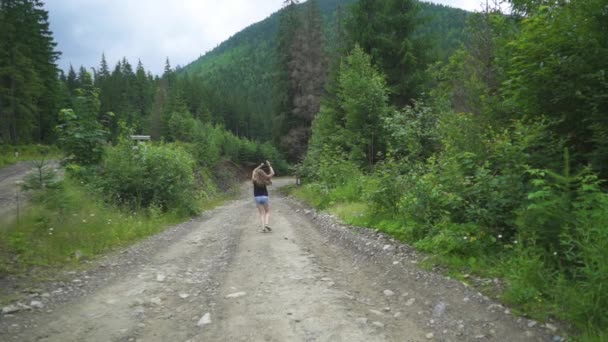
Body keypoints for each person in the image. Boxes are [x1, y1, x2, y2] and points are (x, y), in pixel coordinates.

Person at [252, 160, 275, 232]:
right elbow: (272, 173)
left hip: (257, 197)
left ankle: (263, 228)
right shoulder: (265, 179)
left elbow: (254, 171)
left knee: (261, 213)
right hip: (265, 197)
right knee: (267, 212)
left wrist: (260, 165)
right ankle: (267, 224)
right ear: (263, 174)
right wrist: (269, 165)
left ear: (256, 174)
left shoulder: (254, 180)